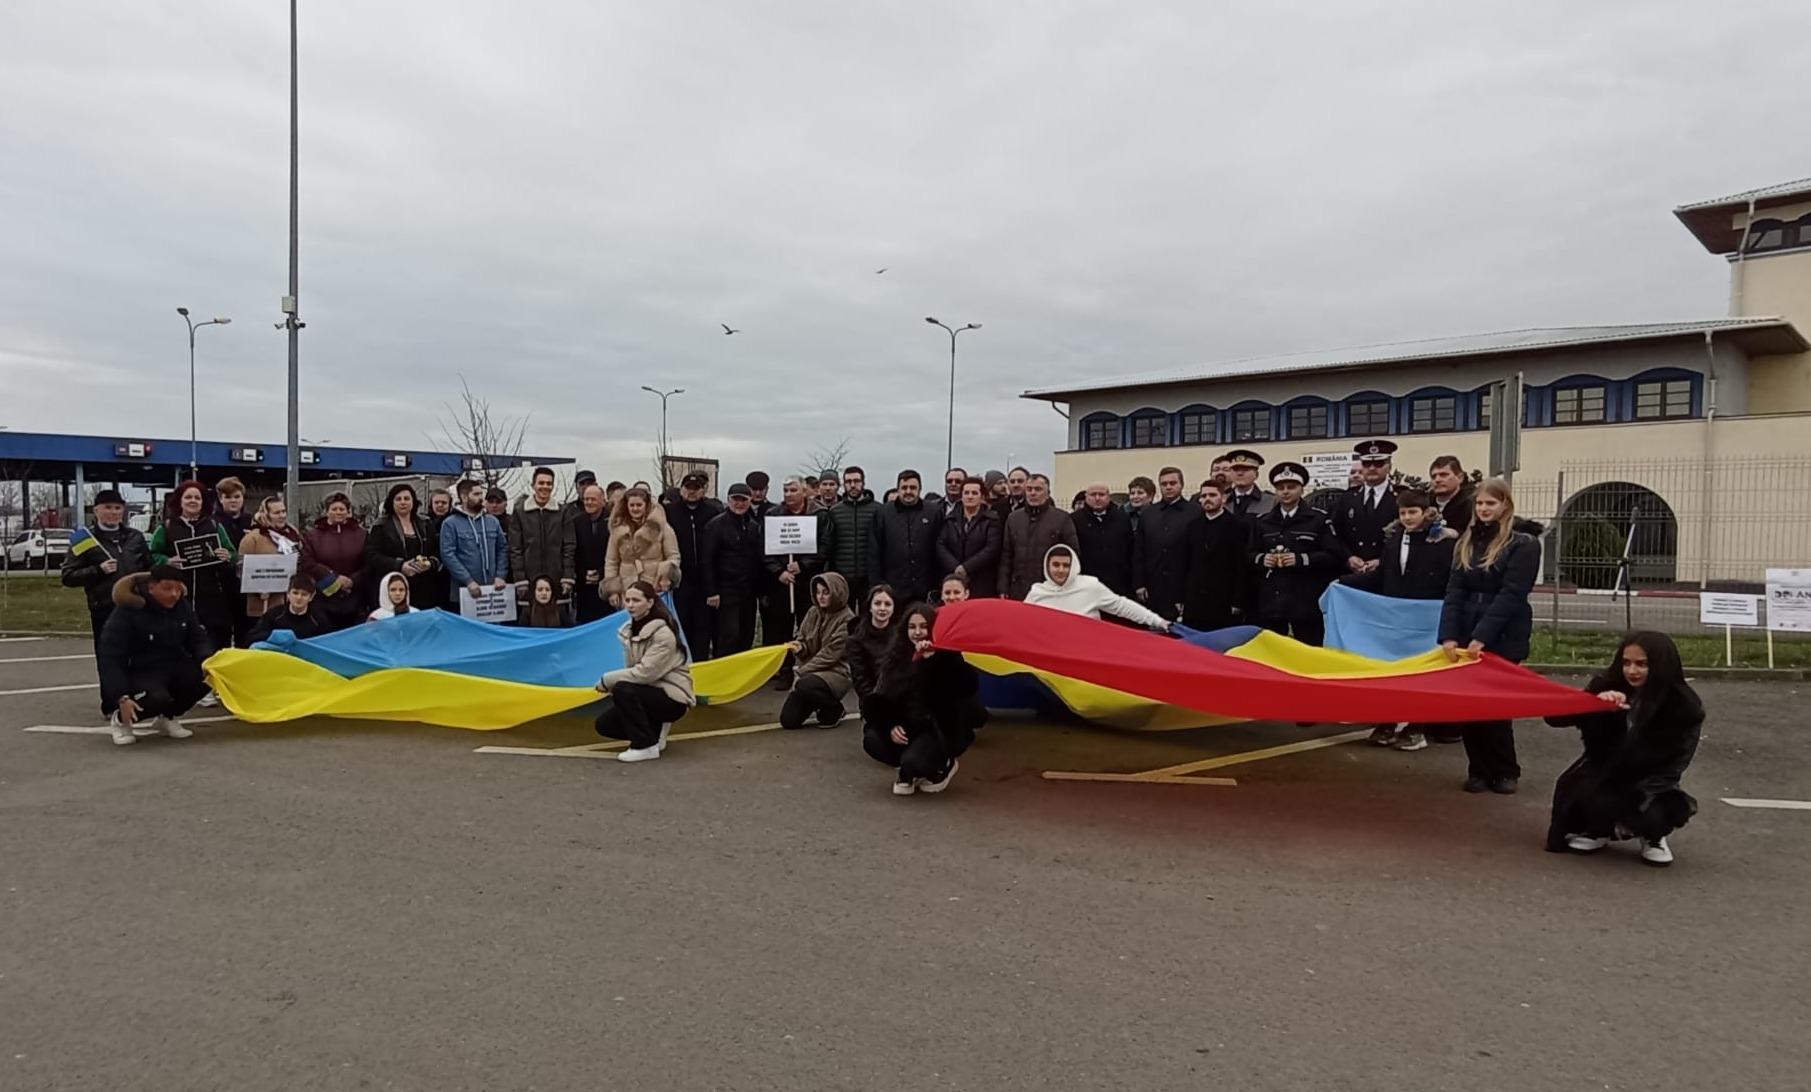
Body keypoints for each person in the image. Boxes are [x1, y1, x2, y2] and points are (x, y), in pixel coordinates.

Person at [1543, 632, 1703, 866]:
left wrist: (1630, 807)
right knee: (1587, 795)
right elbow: (1554, 718)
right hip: (1603, 771)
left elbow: (1675, 765)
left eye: (1642, 664)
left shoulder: (1683, 706)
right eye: (1626, 663)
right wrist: (1596, 704)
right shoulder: (1607, 685)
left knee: (1650, 812)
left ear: (1661, 665)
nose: (1631, 671)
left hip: (1652, 779)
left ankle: (1653, 837)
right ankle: (1599, 830)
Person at [1440, 477, 1542, 795]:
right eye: (1480, 503)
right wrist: (1449, 635)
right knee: (1469, 706)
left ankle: (1505, 770)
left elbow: (1512, 594)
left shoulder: (1523, 544)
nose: (1484, 509)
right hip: (1467, 628)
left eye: (1491, 503)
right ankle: (1478, 770)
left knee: (1496, 707)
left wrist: (1482, 635)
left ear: (1505, 505)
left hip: (1504, 633)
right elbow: (1455, 591)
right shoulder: (1467, 541)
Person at [1341, 487, 1458, 751]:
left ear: (1426, 512)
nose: (1407, 517)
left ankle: (1417, 726)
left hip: (1428, 619)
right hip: (1395, 617)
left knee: (1422, 674)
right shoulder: (1394, 540)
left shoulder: (1442, 542)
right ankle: (1388, 721)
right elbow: (1383, 574)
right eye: (1403, 513)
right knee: (1393, 671)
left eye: (1412, 512)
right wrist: (1343, 583)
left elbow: (1450, 579)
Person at [860, 603, 981, 795]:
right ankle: (908, 769)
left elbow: (966, 687)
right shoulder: (896, 655)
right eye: (912, 627)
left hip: (935, 728)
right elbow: (881, 696)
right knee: (872, 740)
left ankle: (942, 765)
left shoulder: (946, 653)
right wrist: (891, 725)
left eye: (923, 626)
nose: (917, 632)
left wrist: (932, 660)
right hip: (907, 725)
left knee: (914, 762)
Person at [98, 565, 211, 746]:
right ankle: (121, 720)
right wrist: (121, 696)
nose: (174, 594)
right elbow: (110, 657)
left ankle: (169, 717)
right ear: (151, 588)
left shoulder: (182, 606)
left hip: (173, 664)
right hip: (140, 671)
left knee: (209, 677)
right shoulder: (127, 611)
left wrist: (208, 661)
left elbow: (198, 638)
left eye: (178, 589)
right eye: (167, 589)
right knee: (157, 699)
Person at [593, 581, 694, 763]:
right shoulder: (629, 630)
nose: (630, 605)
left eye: (636, 600)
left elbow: (645, 673)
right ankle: (655, 733)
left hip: (673, 698)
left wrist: (607, 680)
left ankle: (645, 746)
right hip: (649, 691)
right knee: (604, 725)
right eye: (627, 600)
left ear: (650, 603)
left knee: (623, 689)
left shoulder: (663, 634)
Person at [61, 489, 153, 679]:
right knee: (110, 661)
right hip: (104, 608)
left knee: (140, 659)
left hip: (137, 607)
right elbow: (68, 576)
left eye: (118, 508)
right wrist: (98, 570)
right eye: (108, 508)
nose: (113, 512)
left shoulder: (135, 537)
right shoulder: (86, 540)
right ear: (96, 511)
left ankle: (140, 694)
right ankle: (112, 696)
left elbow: (150, 567)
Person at [1249, 462, 1339, 646]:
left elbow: (1333, 555)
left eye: (1291, 487)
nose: (1285, 492)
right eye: (1280, 488)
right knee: (1273, 650)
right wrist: (1262, 559)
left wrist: (1301, 559)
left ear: (1301, 489)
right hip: (1272, 600)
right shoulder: (1263, 521)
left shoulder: (1318, 519)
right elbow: (1248, 554)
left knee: (1309, 649)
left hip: (1305, 599)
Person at [149, 480, 238, 659]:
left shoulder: (214, 526)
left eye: (197, 498)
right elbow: (151, 555)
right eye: (188, 497)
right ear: (180, 501)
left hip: (212, 599)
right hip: (178, 596)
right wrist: (167, 561)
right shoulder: (166, 527)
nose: (193, 501)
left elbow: (233, 554)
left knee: (214, 648)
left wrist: (227, 556)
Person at [763, 477, 826, 686]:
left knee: (809, 627)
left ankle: (810, 668)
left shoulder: (819, 515)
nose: (788, 494)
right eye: (785, 490)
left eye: (793, 490)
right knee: (781, 627)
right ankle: (785, 669)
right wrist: (779, 572)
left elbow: (824, 547)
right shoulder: (773, 515)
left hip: (808, 582)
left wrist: (803, 565)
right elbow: (764, 550)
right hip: (781, 583)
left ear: (804, 492)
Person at [1026, 544, 1171, 630]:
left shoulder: (1090, 586)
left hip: (1086, 653)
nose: (1061, 570)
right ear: (1047, 566)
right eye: (1056, 565)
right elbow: (1022, 621)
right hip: (1052, 658)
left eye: (1066, 565)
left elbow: (1122, 606)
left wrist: (1158, 621)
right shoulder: (1037, 592)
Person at [662, 471, 725, 660]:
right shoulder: (669, 512)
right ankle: (683, 665)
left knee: (703, 627)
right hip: (680, 581)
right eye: (688, 488)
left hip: (705, 581)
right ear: (681, 490)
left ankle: (701, 665)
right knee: (681, 625)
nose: (692, 492)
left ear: (703, 490)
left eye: (696, 488)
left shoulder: (713, 512)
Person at [779, 573, 854, 729]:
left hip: (836, 672)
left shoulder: (848, 620)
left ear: (837, 592)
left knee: (804, 685)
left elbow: (830, 655)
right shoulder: (812, 612)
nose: (821, 597)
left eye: (826, 593)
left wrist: (801, 671)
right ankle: (817, 701)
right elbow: (803, 639)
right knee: (788, 720)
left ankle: (834, 708)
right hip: (810, 674)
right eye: (818, 592)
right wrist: (800, 648)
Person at [701, 482, 765, 657]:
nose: (739, 504)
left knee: (747, 635)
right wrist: (712, 591)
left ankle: (742, 671)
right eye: (735, 499)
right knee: (729, 636)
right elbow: (707, 560)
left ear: (750, 501)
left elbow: (758, 559)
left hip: (748, 592)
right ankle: (723, 671)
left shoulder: (753, 526)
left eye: (743, 500)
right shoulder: (715, 525)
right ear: (728, 500)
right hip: (726, 590)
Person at [1181, 477, 1253, 631]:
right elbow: (1184, 563)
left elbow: (1241, 567)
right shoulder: (1192, 526)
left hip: (1223, 601)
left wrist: (1238, 601)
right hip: (1195, 601)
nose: (1207, 499)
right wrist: (1181, 597)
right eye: (1204, 496)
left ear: (1223, 498)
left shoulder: (1237, 527)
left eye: (1212, 495)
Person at [510, 466, 576, 622]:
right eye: (541, 483)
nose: (545, 487)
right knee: (529, 621)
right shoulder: (520, 512)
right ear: (533, 485)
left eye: (549, 483)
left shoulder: (563, 512)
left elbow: (569, 546)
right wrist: (520, 578)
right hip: (529, 578)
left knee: (559, 622)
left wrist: (567, 576)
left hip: (557, 577)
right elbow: (515, 548)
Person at [869, 469, 944, 606]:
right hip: (893, 589)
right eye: (904, 488)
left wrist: (938, 584)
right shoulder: (883, 513)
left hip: (926, 588)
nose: (908, 491)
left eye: (913, 487)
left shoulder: (933, 512)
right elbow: (874, 551)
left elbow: (940, 548)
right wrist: (877, 584)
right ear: (898, 489)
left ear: (920, 489)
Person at [1133, 467, 1198, 621]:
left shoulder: (1196, 512)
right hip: (1153, 586)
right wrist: (1139, 583)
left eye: (1173, 483)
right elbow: (1139, 551)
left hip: (1183, 584)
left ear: (1182, 484)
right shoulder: (1148, 513)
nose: (1168, 487)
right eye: (1164, 484)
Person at [366, 482, 443, 613]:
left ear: (413, 502)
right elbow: (372, 556)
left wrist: (430, 563)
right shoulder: (380, 526)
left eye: (407, 499)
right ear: (391, 502)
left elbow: (437, 550)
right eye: (398, 499)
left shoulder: (426, 523)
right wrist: (400, 566)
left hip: (424, 588)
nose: (403, 502)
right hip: (394, 586)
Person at [1000, 473, 1079, 600]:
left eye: (1038, 489)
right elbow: (1006, 556)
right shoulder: (1013, 518)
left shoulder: (1062, 519)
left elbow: (1073, 554)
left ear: (1048, 494)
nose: (1033, 493)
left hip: (1050, 588)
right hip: (1018, 588)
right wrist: (1002, 587)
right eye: (1029, 489)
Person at [300, 491, 370, 632]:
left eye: (342, 509)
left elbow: (369, 561)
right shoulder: (312, 536)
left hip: (355, 597)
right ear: (326, 511)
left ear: (348, 512)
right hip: (323, 598)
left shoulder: (362, 534)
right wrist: (334, 577)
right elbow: (308, 562)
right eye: (334, 509)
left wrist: (353, 580)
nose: (338, 512)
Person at [604, 485, 681, 610]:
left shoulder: (662, 527)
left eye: (639, 505)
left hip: (655, 587)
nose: (635, 508)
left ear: (646, 505)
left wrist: (666, 577)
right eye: (632, 505)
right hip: (627, 588)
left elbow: (673, 556)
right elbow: (611, 562)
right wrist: (613, 590)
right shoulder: (617, 530)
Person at [1331, 440, 1399, 576]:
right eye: (1367, 464)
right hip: (1352, 572)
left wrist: (1382, 561)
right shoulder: (1347, 499)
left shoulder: (1401, 497)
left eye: (1379, 463)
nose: (1372, 468)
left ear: (1389, 466)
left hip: (1388, 572)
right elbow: (1335, 534)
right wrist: (1348, 557)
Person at [440, 478, 510, 610]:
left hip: (492, 592)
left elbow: (502, 549)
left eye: (481, 494)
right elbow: (448, 555)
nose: (481, 498)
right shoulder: (450, 523)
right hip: (464, 593)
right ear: (464, 497)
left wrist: (501, 575)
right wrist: (468, 580)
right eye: (476, 494)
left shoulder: (492, 521)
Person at [935, 477, 1003, 600]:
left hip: (981, 580)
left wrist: (967, 567)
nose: (970, 496)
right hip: (954, 579)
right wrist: (955, 567)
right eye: (966, 493)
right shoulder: (950, 519)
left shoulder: (992, 520)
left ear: (982, 496)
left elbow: (992, 548)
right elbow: (940, 545)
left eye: (974, 493)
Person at [822, 465, 879, 608]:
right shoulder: (835, 511)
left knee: (868, 616)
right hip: (843, 577)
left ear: (863, 483)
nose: (853, 485)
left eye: (856, 481)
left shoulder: (877, 509)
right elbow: (829, 545)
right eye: (848, 481)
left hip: (868, 577)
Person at [239, 495, 303, 622]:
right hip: (264, 604)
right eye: (276, 513)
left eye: (284, 511)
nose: (282, 515)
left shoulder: (292, 533)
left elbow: (301, 561)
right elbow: (241, 569)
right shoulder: (253, 538)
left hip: (290, 603)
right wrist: (258, 588)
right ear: (266, 514)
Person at [212, 478, 257, 649]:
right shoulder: (212, 522)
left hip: (247, 585)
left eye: (237, 496)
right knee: (221, 631)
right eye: (228, 497)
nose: (233, 501)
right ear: (220, 499)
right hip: (221, 585)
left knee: (246, 631)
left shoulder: (252, 522)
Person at [847, 584, 899, 728]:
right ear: (870, 607)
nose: (882, 608)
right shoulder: (855, 640)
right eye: (877, 603)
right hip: (873, 701)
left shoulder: (901, 636)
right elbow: (860, 680)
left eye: (887, 604)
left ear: (894, 608)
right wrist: (875, 705)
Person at [1072, 482, 1135, 597]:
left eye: (1101, 495)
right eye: (1093, 494)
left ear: (1109, 497)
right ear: (1086, 497)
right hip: (1086, 584)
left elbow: (1130, 549)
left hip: (1118, 584)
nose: (1097, 498)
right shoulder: (1075, 520)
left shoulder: (1122, 518)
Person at [571, 483, 614, 625]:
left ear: (602, 501)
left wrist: (600, 573)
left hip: (606, 583)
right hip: (584, 585)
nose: (589, 502)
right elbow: (573, 551)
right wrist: (583, 573)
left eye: (593, 499)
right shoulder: (576, 522)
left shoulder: (612, 521)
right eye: (586, 499)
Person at [250, 573, 331, 641]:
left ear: (311, 597)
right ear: (288, 594)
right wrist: (273, 635)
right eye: (295, 593)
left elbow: (326, 643)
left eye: (304, 594)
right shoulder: (274, 615)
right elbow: (252, 637)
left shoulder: (319, 620)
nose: (299, 598)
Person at [1429, 455, 1474, 537]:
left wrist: (1455, 534)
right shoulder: (1424, 504)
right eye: (1433, 476)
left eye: (1444, 475)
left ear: (1460, 478)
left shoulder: (1472, 504)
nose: (1437, 480)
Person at [1223, 450, 1275, 519]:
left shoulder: (1271, 501)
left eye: (1245, 469)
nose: (1240, 473)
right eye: (1236, 469)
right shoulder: (1222, 500)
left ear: (1256, 475)